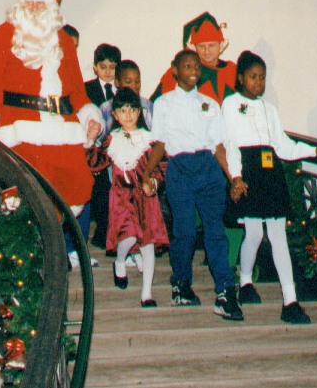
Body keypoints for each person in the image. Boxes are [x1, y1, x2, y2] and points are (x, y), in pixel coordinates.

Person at [0, 0, 102, 262]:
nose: (32, 7)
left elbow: (78, 92)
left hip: (61, 129)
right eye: (28, 1)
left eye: (39, 2)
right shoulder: (3, 35)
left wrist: (89, 116)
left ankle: (45, 251)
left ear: (51, 8)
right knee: (22, 201)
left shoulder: (64, 41)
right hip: (17, 130)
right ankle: (26, 262)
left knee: (77, 189)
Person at [223, 50, 317, 324]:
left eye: (262, 78)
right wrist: (236, 177)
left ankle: (290, 301)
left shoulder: (270, 109)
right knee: (253, 235)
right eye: (253, 77)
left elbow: (282, 146)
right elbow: (230, 144)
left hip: (270, 172)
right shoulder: (230, 104)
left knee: (277, 235)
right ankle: (246, 281)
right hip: (248, 171)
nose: (258, 83)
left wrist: (313, 151)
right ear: (240, 78)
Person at [141, 50, 243, 320]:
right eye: (187, 66)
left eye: (196, 66)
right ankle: (181, 284)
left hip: (208, 170)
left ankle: (224, 291)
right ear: (175, 70)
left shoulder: (210, 103)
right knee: (184, 231)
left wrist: (232, 178)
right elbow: (160, 144)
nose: (194, 70)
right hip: (180, 169)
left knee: (215, 231)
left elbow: (219, 146)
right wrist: (147, 174)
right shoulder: (163, 103)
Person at [87, 88, 169, 306]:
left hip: (146, 198)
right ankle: (120, 261)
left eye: (133, 110)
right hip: (122, 198)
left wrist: (153, 182)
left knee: (148, 244)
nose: (129, 115)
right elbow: (95, 162)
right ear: (115, 115)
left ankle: (147, 293)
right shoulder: (112, 140)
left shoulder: (149, 139)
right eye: (123, 111)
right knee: (130, 236)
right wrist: (89, 141)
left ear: (139, 112)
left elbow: (161, 167)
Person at [150, 12, 236, 104]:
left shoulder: (232, 70)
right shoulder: (181, 70)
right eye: (202, 46)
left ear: (221, 46)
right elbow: (153, 105)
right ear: (194, 47)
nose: (207, 51)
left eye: (211, 46)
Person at [84, 43, 121, 248]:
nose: (108, 72)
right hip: (96, 151)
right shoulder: (86, 89)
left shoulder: (123, 89)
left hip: (118, 150)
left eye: (112, 67)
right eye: (103, 67)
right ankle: (102, 233)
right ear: (95, 67)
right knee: (101, 194)